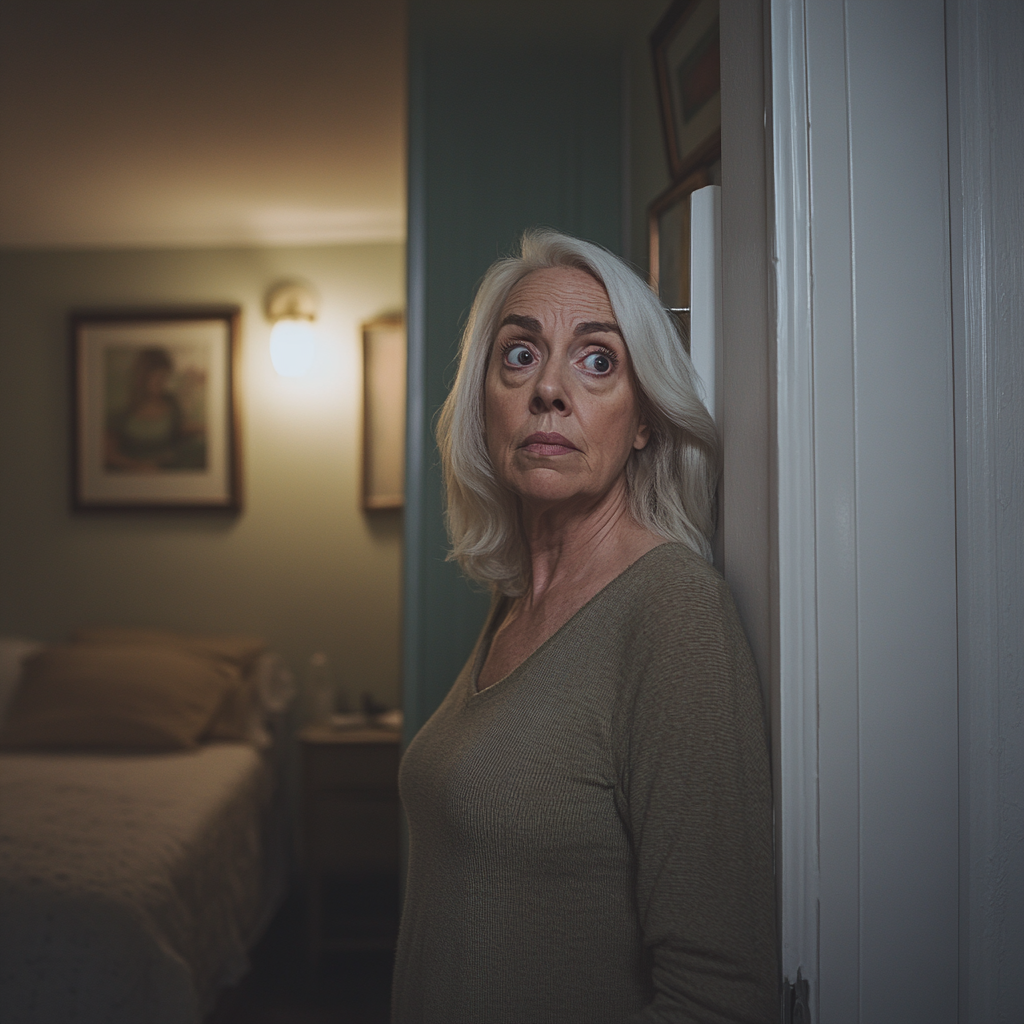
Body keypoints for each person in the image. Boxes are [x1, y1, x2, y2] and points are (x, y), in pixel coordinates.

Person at [392, 230, 777, 1024]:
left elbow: (719, 994)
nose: (550, 390)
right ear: (485, 400)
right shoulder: (517, 596)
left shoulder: (675, 611)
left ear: (642, 419)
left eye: (598, 360)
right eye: (520, 356)